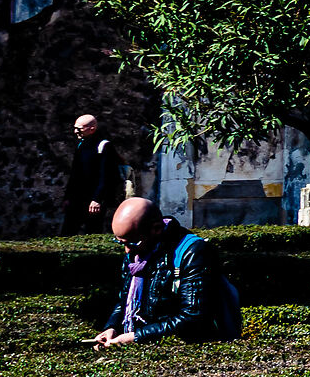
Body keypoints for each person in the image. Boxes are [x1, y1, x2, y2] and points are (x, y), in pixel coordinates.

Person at [92, 197, 242, 347]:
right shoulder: (137, 250)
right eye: (120, 242)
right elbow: (125, 299)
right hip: (145, 344)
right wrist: (112, 327)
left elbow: (194, 316)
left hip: (184, 348)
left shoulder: (193, 252)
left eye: (131, 243)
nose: (127, 250)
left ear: (156, 229)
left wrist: (137, 336)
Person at [63, 114, 124, 235]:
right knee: (68, 230)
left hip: (93, 199)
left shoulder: (104, 146)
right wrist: (68, 197)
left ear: (92, 128)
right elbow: (75, 174)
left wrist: (97, 199)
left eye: (79, 128)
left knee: (93, 230)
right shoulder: (81, 145)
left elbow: (106, 175)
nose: (75, 132)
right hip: (78, 197)